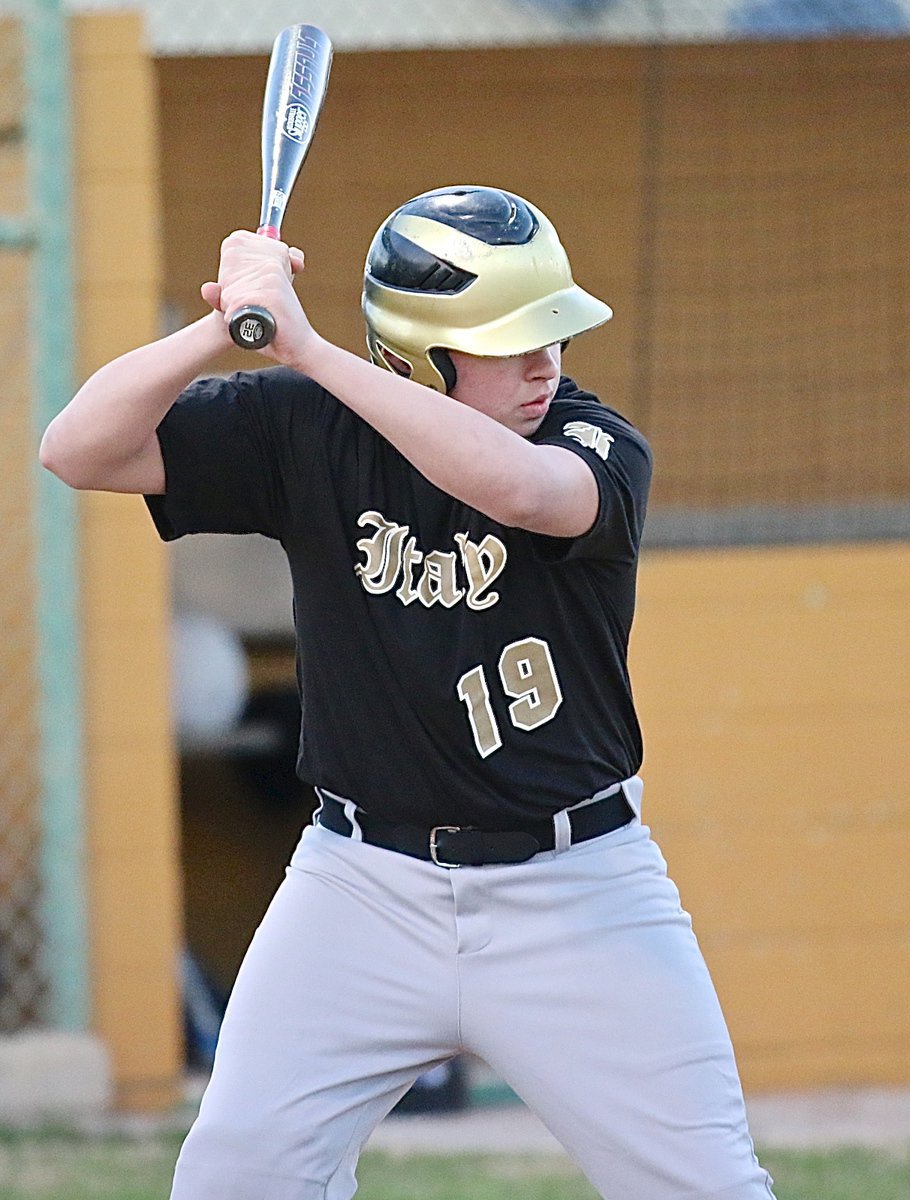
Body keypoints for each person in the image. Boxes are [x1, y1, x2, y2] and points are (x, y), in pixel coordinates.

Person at [40, 185, 775, 1200]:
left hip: (574, 889)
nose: (544, 361)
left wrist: (303, 348)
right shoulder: (304, 430)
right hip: (360, 890)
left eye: (549, 330)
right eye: (506, 339)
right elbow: (76, 448)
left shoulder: (593, 441)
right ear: (414, 354)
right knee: (235, 1178)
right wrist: (223, 327)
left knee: (703, 1187)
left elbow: (524, 494)